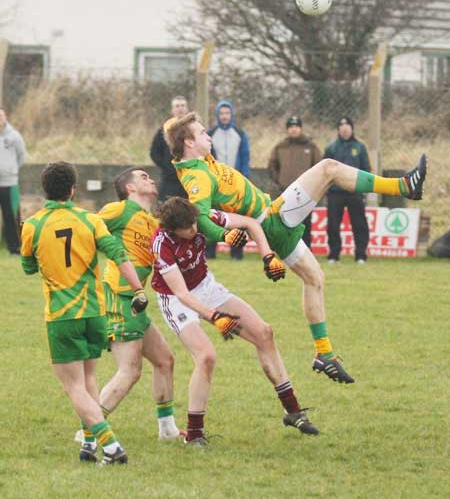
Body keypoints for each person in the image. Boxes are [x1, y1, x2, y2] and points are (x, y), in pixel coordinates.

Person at [165, 113, 427, 384]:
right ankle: (404, 186)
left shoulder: (199, 161)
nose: (209, 135)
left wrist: (178, 124)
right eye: (202, 132)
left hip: (274, 220)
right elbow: (201, 217)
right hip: (273, 219)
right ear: (188, 142)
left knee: (314, 278)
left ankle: (324, 354)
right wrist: (225, 234)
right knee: (329, 168)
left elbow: (173, 134)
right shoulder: (197, 176)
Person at [151, 197, 318, 445]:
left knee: (264, 333)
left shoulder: (203, 220)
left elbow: (251, 223)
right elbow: (182, 294)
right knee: (206, 357)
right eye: (188, 229)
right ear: (172, 230)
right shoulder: (162, 244)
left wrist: (267, 256)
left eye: (195, 224)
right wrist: (215, 317)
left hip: (206, 287)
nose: (195, 230)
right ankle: (195, 433)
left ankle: (293, 411)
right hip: (175, 299)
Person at [20, 162, 148, 465]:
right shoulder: (90, 220)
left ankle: (111, 445)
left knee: (73, 386)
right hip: (95, 312)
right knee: (89, 377)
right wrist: (138, 289)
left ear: (44, 190)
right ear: (73, 190)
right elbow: (117, 254)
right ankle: (89, 444)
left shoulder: (33, 225)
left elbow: (27, 267)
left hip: (62, 316)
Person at [94, 167, 181, 440]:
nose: (151, 178)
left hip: (136, 300)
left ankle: (167, 429)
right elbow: (87, 226)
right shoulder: (119, 210)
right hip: (118, 296)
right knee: (130, 371)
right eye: (143, 177)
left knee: (165, 360)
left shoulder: (152, 222)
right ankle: (89, 429)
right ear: (130, 188)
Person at [268, 116, 322, 248]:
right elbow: (272, 165)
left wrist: (312, 186)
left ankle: (306, 249)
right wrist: (280, 181)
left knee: (305, 223)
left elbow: (318, 167)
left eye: (296, 127)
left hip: (305, 193)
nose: (294, 129)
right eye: (291, 127)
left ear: (301, 128)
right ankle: (284, 248)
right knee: (283, 221)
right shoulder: (280, 147)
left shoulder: (311, 147)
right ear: (287, 129)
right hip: (285, 192)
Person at [206, 100, 250, 260]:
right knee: (213, 217)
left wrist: (244, 179)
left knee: (237, 219)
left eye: (227, 113)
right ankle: (210, 252)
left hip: (235, 184)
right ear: (218, 115)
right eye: (222, 113)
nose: (224, 116)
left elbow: (245, 157)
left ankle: (237, 252)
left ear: (231, 115)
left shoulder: (239, 134)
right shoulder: (210, 134)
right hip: (216, 184)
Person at [324, 117, 371, 264]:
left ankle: (361, 255)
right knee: (333, 224)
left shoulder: (360, 147)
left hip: (354, 192)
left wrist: (362, 187)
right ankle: (334, 254)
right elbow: (325, 169)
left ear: (352, 128)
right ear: (338, 129)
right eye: (341, 125)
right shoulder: (331, 148)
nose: (345, 128)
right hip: (335, 193)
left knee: (360, 224)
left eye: (347, 125)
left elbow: (366, 169)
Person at [150, 96, 189, 201]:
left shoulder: (193, 128)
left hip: (189, 178)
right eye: (177, 106)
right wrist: (167, 167)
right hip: (169, 180)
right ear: (172, 110)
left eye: (182, 106)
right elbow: (154, 152)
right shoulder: (164, 129)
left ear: (186, 109)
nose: (180, 108)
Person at [0, 107, 26, 254]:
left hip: (9, 184)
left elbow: (21, 156)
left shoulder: (14, 136)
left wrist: (11, 170)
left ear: (5, 117)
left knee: (12, 217)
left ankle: (15, 248)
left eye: (1, 116)